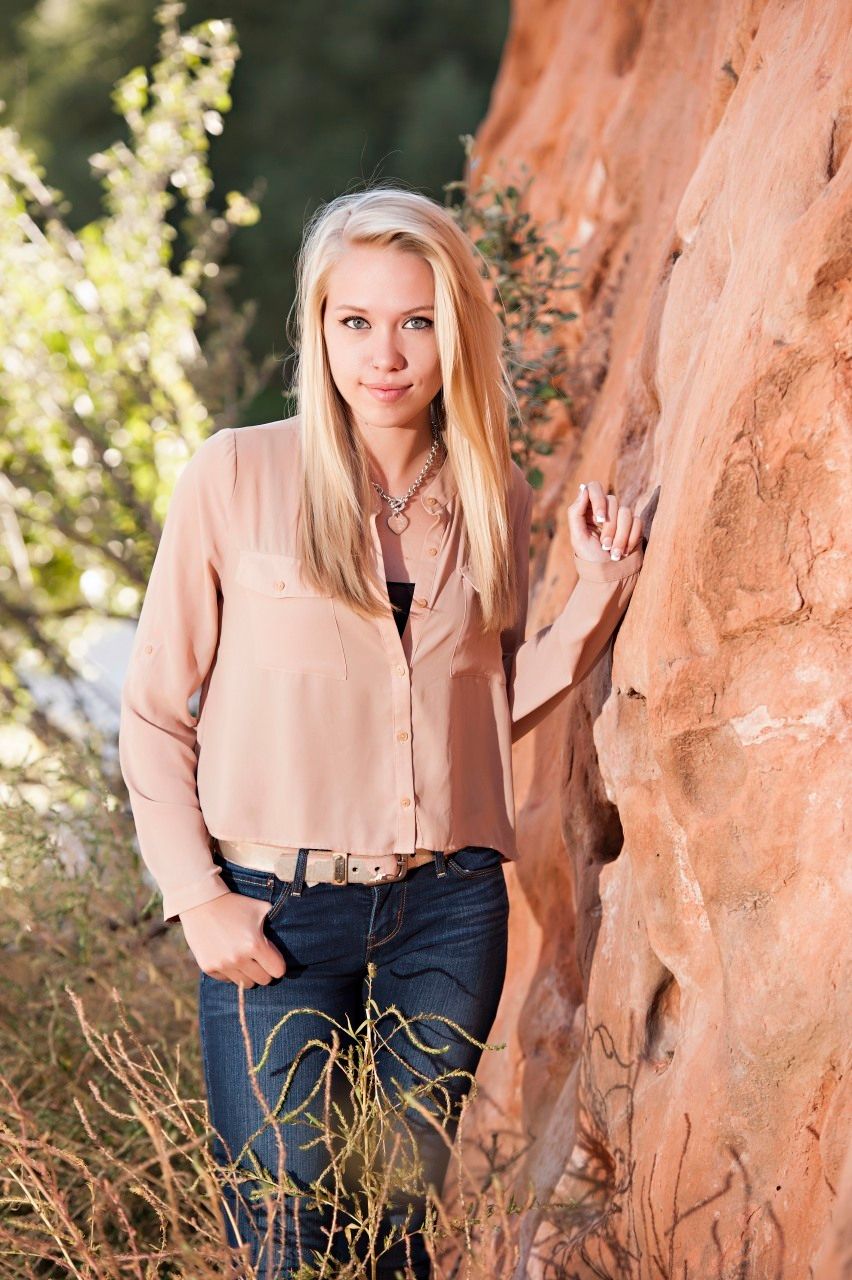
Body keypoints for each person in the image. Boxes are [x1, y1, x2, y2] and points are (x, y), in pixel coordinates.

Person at [118, 185, 645, 1279]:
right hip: (277, 921)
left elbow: (482, 703)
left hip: (446, 917)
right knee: (289, 1241)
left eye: (414, 321)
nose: (385, 353)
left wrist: (597, 594)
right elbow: (154, 711)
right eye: (354, 320)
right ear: (317, 329)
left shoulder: (491, 489)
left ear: (454, 329)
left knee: (396, 1243)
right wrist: (198, 893)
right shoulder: (234, 474)